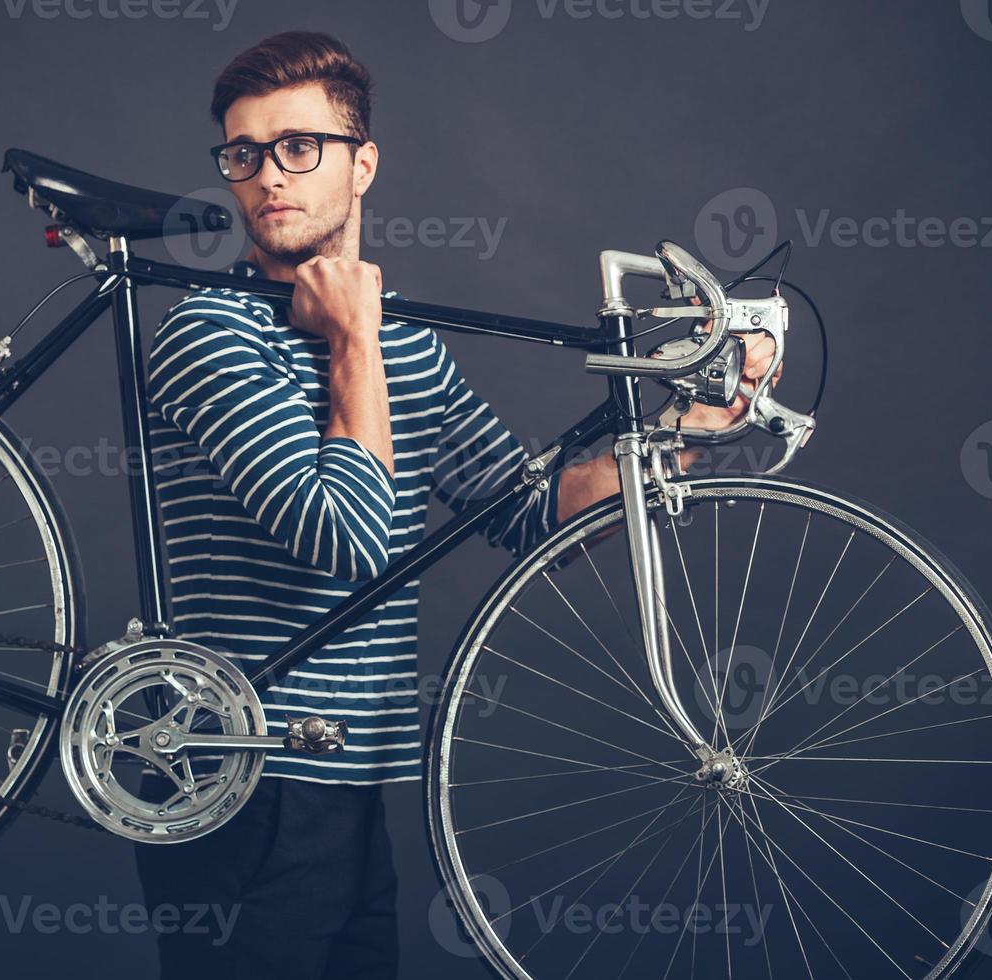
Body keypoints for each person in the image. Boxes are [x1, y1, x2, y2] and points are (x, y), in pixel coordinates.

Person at [133, 30, 779, 978]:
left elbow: (530, 511)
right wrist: (353, 335)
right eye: (244, 154)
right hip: (233, 774)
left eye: (298, 147)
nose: (269, 176)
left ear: (363, 166)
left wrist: (691, 429)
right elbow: (346, 536)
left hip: (352, 781)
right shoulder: (208, 334)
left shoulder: (409, 354)